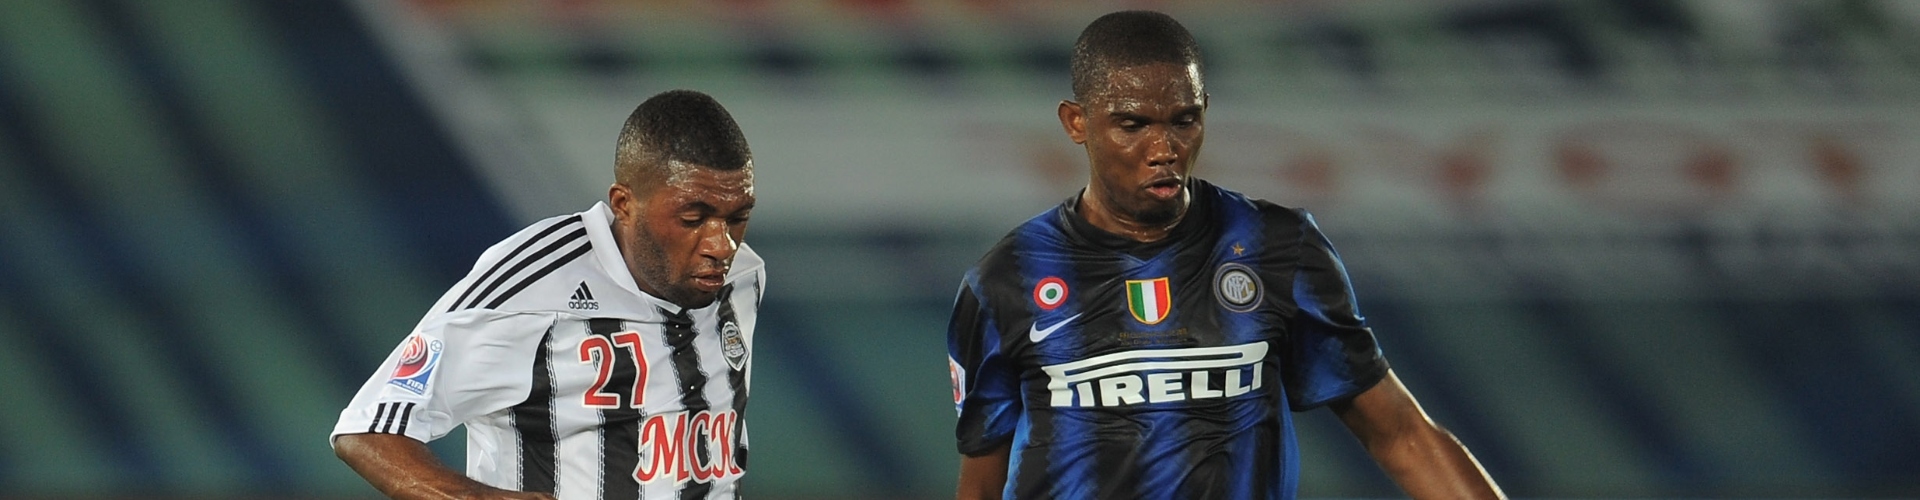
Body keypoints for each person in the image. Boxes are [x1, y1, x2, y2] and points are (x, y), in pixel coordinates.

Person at [945, 11, 1505, 500]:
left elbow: (1401, 433)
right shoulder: (1006, 280)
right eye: (1133, 125)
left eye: (1184, 120)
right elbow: (981, 485)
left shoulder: (1277, 248)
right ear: (1076, 122)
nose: (1164, 149)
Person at [332, 90, 763, 500]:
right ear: (624, 204)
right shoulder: (532, 287)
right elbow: (367, 431)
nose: (722, 245)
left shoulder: (743, 277)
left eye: (737, 217)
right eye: (693, 218)